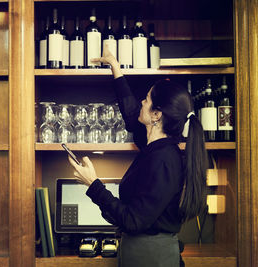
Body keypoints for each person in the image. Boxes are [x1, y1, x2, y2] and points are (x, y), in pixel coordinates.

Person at [67, 49, 208, 267]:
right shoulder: (153, 147)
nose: (142, 102)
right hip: (139, 253)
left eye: (147, 98)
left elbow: (133, 220)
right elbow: (132, 115)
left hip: (151, 258)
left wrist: (93, 184)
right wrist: (115, 68)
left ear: (157, 114)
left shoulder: (163, 160)